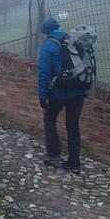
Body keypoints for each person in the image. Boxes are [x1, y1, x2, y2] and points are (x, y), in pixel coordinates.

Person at [38, 16, 88, 173]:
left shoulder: (48, 46)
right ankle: (74, 163)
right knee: (73, 125)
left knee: (50, 119)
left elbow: (44, 74)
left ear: (46, 33)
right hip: (79, 90)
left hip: (58, 92)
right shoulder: (71, 41)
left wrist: (43, 95)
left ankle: (53, 154)